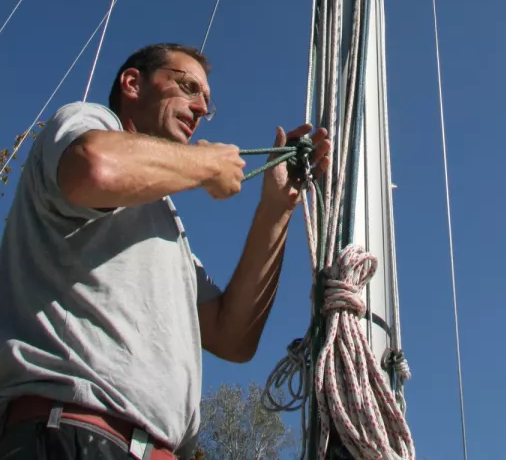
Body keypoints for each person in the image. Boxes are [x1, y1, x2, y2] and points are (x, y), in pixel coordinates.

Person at [0, 43, 329, 460]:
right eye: (188, 87)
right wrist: (206, 165)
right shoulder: (87, 122)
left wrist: (276, 208)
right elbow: (95, 167)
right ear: (133, 83)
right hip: (75, 435)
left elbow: (233, 337)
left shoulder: (166, 231)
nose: (198, 109)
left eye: (206, 105)